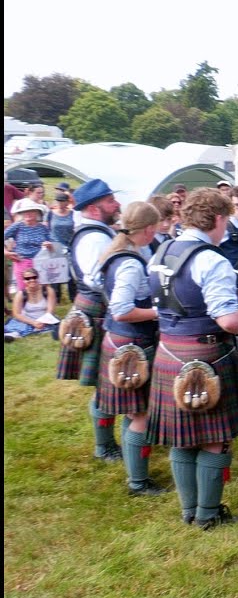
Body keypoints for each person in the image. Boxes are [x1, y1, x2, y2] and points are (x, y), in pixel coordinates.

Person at [147, 188, 238, 529]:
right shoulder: (211, 260)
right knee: (213, 437)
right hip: (207, 353)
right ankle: (207, 514)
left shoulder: (162, 250)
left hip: (167, 350)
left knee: (181, 435)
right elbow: (227, 319)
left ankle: (189, 510)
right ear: (219, 218)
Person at [95, 201, 167, 496]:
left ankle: (132, 468)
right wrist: (158, 313)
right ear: (150, 228)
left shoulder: (115, 252)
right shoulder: (130, 262)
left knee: (133, 411)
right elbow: (121, 309)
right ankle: (138, 482)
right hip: (132, 344)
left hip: (118, 340)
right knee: (141, 414)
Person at [56, 180, 123, 461]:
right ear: (95, 209)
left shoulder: (97, 231)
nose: (116, 205)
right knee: (105, 385)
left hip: (94, 309)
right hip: (97, 312)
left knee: (105, 383)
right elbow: (99, 279)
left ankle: (105, 443)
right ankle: (104, 445)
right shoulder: (96, 238)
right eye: (110, 201)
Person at [4, 198, 54, 293]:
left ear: (37, 213)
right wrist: (6, 252)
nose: (27, 214)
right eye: (25, 212)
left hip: (40, 263)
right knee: (24, 291)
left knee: (42, 290)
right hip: (22, 262)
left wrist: (49, 245)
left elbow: (52, 246)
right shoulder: (18, 226)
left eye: (31, 211)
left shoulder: (43, 228)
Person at [4, 267, 58, 341]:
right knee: (18, 326)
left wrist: (43, 322)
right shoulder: (20, 294)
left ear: (38, 278)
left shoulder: (48, 290)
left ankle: (16, 334)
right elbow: (16, 314)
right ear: (24, 281)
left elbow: (50, 311)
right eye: (28, 278)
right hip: (27, 320)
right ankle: (12, 335)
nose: (32, 280)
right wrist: (33, 322)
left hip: (46, 319)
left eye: (34, 277)